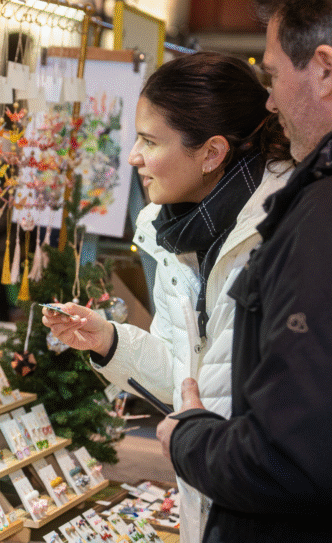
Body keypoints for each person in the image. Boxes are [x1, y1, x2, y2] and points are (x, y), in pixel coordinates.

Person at [42, 52, 293, 543]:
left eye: (150, 141)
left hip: (270, 510)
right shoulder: (170, 234)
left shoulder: (283, 233)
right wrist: (110, 342)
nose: (133, 156)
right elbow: (191, 380)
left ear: (211, 153)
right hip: (209, 494)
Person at [152, 1, 332, 541]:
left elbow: (291, 454)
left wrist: (189, 440)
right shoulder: (176, 232)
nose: (269, 99)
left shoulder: (314, 215)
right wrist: (112, 345)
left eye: (273, 74)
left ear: (324, 69)